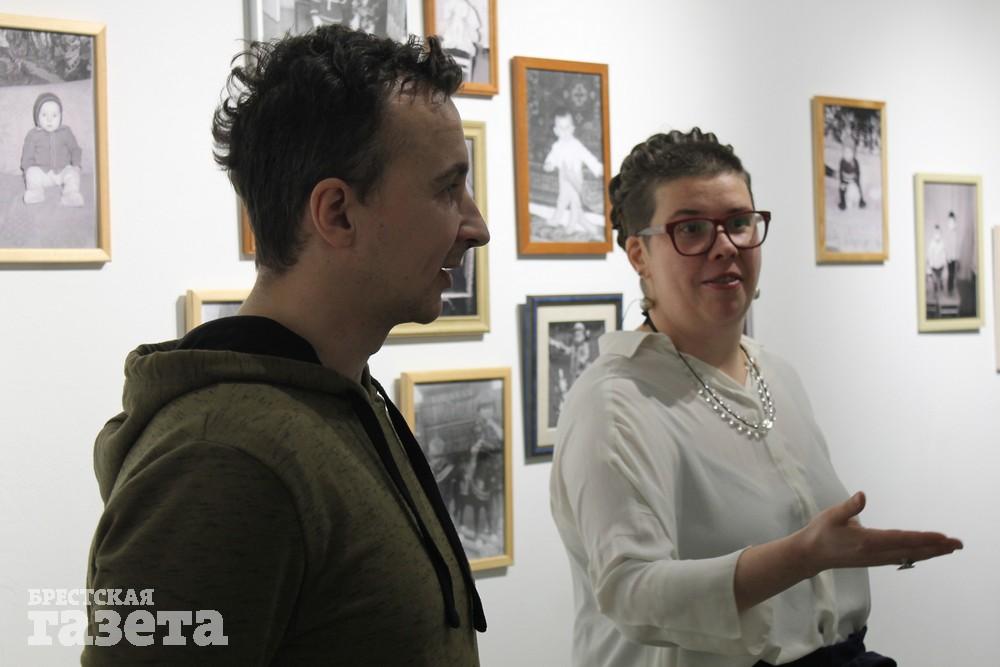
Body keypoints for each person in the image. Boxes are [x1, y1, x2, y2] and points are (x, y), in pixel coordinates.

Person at [83, 26, 488, 665]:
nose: (477, 226)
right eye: (447, 189)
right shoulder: (219, 461)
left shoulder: (341, 399)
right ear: (337, 213)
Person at [550, 128, 963, 667]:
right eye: (691, 229)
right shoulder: (614, 405)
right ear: (639, 255)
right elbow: (631, 592)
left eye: (740, 223)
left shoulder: (775, 373)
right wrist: (804, 556)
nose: (725, 245)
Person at [542, 108, 604, 237]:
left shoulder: (576, 145)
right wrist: (549, 164)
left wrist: (597, 168)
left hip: (576, 178)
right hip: (563, 178)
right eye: (561, 128)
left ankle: (572, 224)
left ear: (573, 128)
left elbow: (587, 156)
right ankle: (556, 219)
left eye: (568, 127)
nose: (565, 131)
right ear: (556, 131)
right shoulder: (557, 146)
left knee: (575, 202)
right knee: (562, 199)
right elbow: (552, 158)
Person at [21, 91, 84, 207]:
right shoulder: (33, 135)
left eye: (54, 115)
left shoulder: (66, 132)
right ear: (37, 117)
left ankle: (70, 194)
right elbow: (27, 156)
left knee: (72, 173)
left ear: (60, 116)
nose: (49, 120)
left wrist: (76, 165)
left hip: (62, 172)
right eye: (44, 115)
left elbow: (75, 149)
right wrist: (27, 170)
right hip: (42, 174)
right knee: (31, 173)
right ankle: (35, 192)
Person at [837, 141, 866, 210]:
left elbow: (858, 172)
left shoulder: (855, 162)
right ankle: (842, 202)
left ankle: (861, 200)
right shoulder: (842, 161)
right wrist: (842, 181)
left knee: (858, 188)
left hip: (853, 179)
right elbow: (840, 172)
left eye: (849, 153)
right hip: (845, 179)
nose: (847, 155)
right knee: (841, 189)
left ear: (853, 154)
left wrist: (856, 179)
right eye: (845, 152)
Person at [944, 211, 960, 295]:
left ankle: (952, 288)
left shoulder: (955, 232)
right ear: (948, 222)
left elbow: (956, 245)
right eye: (950, 221)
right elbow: (947, 246)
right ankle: (949, 289)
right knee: (950, 273)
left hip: (954, 257)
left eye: (953, 221)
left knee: (953, 273)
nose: (951, 223)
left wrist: (957, 257)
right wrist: (948, 257)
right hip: (949, 257)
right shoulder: (948, 232)